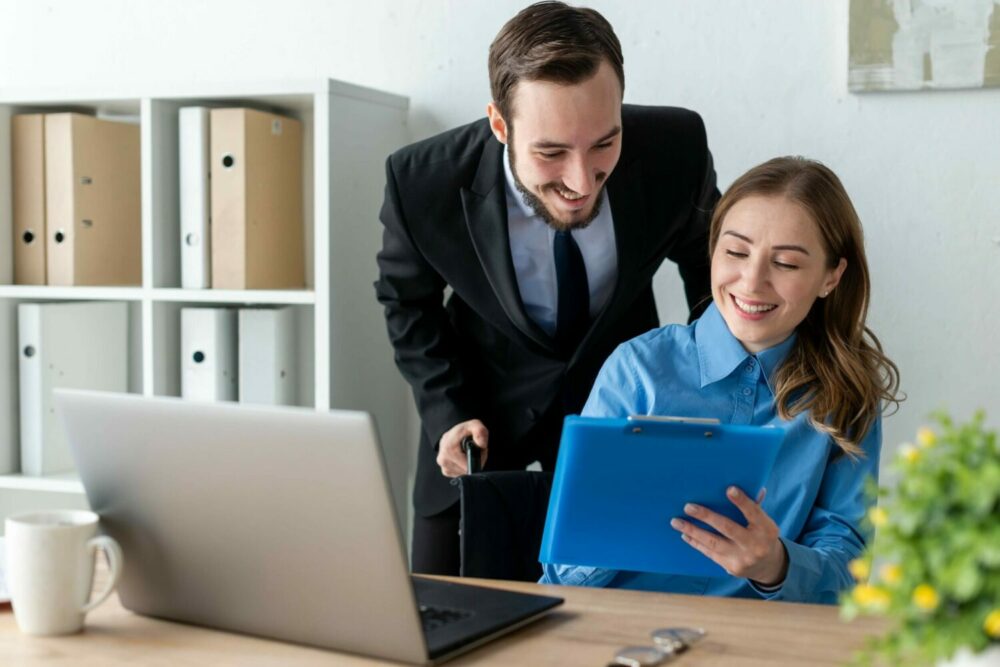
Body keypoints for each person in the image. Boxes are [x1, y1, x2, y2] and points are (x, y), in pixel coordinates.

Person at [375, 1, 720, 575]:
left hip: (624, 425)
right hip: (477, 433)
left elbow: (712, 275)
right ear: (500, 125)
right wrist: (447, 410)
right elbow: (406, 302)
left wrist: (709, 396)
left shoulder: (676, 150)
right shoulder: (422, 181)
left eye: (605, 143)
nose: (582, 181)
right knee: (446, 627)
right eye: (552, 152)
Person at [541, 156, 902, 604]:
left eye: (786, 263)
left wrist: (775, 565)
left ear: (831, 276)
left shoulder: (846, 393)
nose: (752, 281)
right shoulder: (636, 369)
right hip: (619, 631)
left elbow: (848, 570)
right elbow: (559, 574)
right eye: (735, 252)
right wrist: (623, 516)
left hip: (760, 644)